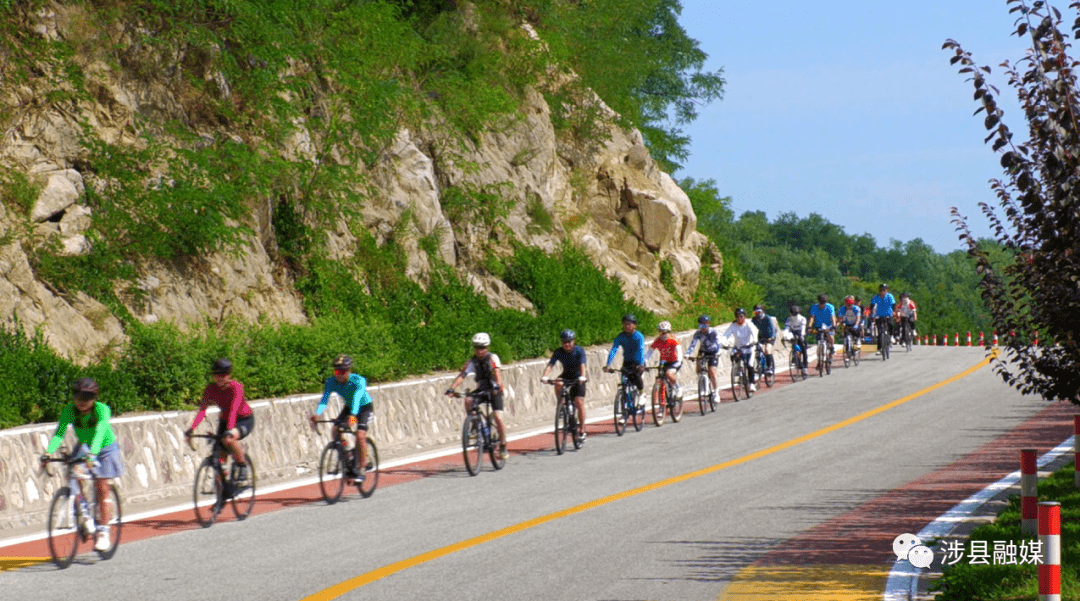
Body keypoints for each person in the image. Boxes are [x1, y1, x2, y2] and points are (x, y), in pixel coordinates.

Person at [41, 378, 124, 552]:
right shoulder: (69, 411)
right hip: (87, 447)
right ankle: (85, 515)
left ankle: (103, 532)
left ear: (94, 398)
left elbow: (101, 431)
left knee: (102, 487)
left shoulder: (102, 409)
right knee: (74, 472)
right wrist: (48, 453)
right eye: (78, 397)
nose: (82, 402)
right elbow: (59, 434)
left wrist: (93, 454)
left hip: (105, 448)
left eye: (87, 398)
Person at [184, 358, 254, 482]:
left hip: (243, 419)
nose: (220, 378)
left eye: (224, 375)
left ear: (229, 375)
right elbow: (202, 410)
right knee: (219, 455)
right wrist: (192, 428)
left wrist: (230, 430)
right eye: (217, 375)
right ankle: (223, 487)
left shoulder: (236, 387)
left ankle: (242, 465)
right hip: (225, 420)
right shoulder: (210, 389)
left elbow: (233, 410)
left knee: (229, 438)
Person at [308, 355, 373, 482]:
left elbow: (357, 398)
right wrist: (318, 413)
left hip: (363, 408)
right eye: (337, 371)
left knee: (360, 435)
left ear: (349, 370)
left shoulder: (358, 380)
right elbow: (324, 399)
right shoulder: (331, 382)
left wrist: (353, 417)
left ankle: (362, 469)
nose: (339, 375)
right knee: (335, 430)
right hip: (349, 408)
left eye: (342, 372)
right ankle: (348, 454)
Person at [446, 333, 508, 460]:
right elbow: (462, 375)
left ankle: (503, 445)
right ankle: (474, 425)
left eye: (482, 347)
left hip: (494, 390)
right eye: (477, 347)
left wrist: (498, 385)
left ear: (487, 347)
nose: (479, 350)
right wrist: (452, 388)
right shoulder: (472, 361)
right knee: (468, 400)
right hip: (481, 390)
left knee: (498, 417)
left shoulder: (492, 358)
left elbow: (497, 373)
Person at [541, 330, 588, 441]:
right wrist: (545, 376)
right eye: (564, 342)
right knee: (557, 382)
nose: (566, 344)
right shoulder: (558, 352)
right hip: (566, 375)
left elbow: (582, 365)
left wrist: (582, 376)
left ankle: (582, 430)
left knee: (579, 402)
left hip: (579, 377)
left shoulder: (579, 350)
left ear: (573, 341)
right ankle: (562, 404)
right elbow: (550, 365)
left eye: (569, 341)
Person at [604, 314, 646, 422]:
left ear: (634, 325)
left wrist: (641, 364)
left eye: (629, 324)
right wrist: (608, 364)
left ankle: (641, 393)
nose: (627, 326)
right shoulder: (620, 336)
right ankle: (624, 413)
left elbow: (641, 350)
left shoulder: (638, 336)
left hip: (638, 362)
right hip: (627, 362)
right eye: (625, 324)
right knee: (623, 386)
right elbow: (614, 349)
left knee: (636, 377)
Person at [644, 320, 684, 403]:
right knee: (659, 380)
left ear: (668, 332)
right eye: (661, 332)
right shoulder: (657, 341)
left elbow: (679, 352)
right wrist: (644, 362)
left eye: (665, 332)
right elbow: (648, 354)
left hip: (675, 361)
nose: (663, 334)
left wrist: (679, 361)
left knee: (669, 374)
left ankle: (678, 387)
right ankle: (662, 404)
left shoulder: (674, 340)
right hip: (664, 362)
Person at [721, 308, 759, 393]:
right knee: (732, 354)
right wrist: (723, 342)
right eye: (737, 316)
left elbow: (754, 332)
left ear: (744, 316)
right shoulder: (733, 325)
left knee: (750, 365)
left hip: (749, 347)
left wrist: (754, 340)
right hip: (739, 348)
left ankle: (752, 384)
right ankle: (738, 368)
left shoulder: (749, 324)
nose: (739, 318)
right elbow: (726, 335)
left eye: (741, 316)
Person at [686, 315, 722, 403]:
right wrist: (687, 353)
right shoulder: (698, 333)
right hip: (703, 351)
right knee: (699, 367)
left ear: (708, 324)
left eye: (704, 325)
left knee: (712, 371)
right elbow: (693, 344)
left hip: (713, 352)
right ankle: (702, 379)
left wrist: (718, 352)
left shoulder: (713, 332)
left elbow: (718, 342)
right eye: (700, 326)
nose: (702, 328)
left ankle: (716, 392)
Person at [807, 294, 837, 363]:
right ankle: (819, 361)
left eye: (823, 303)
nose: (822, 305)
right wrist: (809, 326)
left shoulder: (830, 307)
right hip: (818, 326)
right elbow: (812, 317)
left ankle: (832, 347)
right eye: (821, 303)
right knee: (819, 343)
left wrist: (834, 326)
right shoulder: (814, 307)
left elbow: (832, 317)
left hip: (828, 325)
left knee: (830, 336)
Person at [751, 305, 778, 375]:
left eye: (758, 312)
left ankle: (770, 367)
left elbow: (772, 329)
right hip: (760, 337)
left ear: (762, 312)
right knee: (754, 350)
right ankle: (758, 366)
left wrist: (771, 337)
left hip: (770, 336)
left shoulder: (767, 318)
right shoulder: (754, 320)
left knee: (767, 349)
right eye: (755, 313)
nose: (757, 314)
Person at [783, 305, 809, 376]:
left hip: (801, 333)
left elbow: (803, 328)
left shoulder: (802, 319)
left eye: (796, 313)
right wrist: (785, 336)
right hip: (793, 333)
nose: (794, 315)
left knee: (803, 349)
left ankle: (805, 366)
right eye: (793, 313)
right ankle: (796, 358)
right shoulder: (789, 319)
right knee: (794, 347)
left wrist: (802, 335)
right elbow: (786, 328)